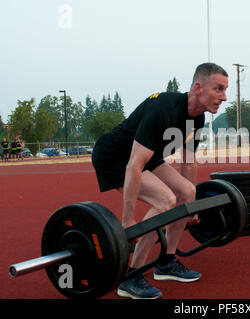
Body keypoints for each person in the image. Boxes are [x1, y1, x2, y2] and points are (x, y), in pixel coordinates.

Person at [92, 62, 228, 299]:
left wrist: (192, 205)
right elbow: (134, 164)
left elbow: (188, 162)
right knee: (165, 200)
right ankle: (132, 276)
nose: (224, 97)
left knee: (185, 192)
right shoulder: (164, 109)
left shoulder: (196, 120)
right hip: (114, 157)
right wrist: (127, 221)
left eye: (225, 90)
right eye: (218, 89)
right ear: (198, 87)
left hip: (148, 157)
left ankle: (166, 263)